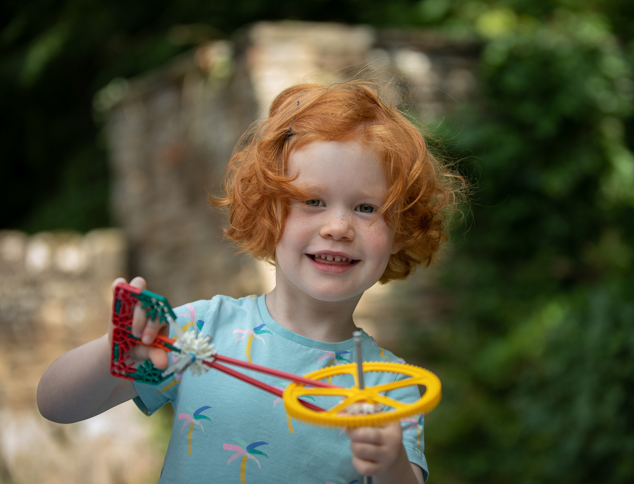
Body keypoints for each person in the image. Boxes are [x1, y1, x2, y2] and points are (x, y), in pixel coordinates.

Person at [37, 79, 465, 483]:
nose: (338, 226)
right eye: (312, 201)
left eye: (367, 208)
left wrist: (389, 460)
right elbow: (55, 404)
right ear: (268, 214)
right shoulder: (200, 331)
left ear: (399, 233)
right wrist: (117, 347)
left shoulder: (390, 387)